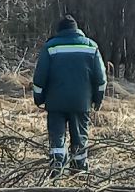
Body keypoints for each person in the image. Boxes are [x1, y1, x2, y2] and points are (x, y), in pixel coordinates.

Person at [32, 14, 108, 176]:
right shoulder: (91, 46)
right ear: (77, 30)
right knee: (80, 140)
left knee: (57, 139)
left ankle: (57, 171)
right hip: (81, 103)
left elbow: (39, 78)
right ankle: (79, 172)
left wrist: (39, 99)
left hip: (55, 103)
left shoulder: (51, 47)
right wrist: (97, 100)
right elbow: (101, 79)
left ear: (60, 30)